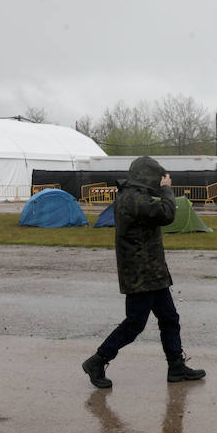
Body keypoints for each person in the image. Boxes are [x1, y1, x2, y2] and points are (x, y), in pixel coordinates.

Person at [82, 156, 205, 389]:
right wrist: (168, 190)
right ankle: (97, 361)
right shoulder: (133, 198)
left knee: (169, 318)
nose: (158, 181)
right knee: (134, 324)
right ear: (144, 176)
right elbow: (167, 214)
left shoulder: (135, 196)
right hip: (141, 275)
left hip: (152, 273)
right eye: (155, 177)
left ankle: (176, 366)